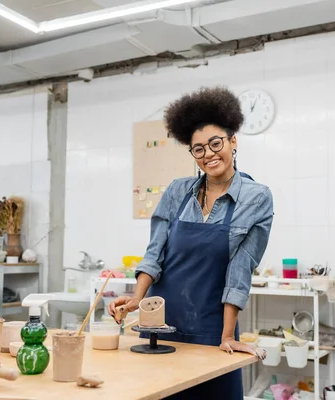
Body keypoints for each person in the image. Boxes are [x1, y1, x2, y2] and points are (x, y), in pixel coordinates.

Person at [108, 86, 274, 399]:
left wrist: (227, 335)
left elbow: (241, 268)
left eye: (216, 143)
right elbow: (154, 253)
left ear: (233, 140)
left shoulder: (256, 197)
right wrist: (135, 299)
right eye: (198, 149)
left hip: (212, 329)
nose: (209, 154)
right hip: (159, 326)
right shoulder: (177, 191)